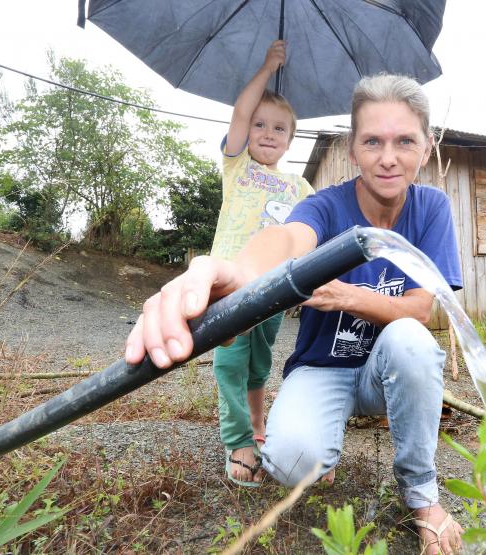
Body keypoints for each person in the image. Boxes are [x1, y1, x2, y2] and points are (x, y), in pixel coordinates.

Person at [125, 74, 464, 554]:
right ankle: (320, 440)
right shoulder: (326, 205)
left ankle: (421, 495)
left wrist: (347, 296)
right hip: (322, 368)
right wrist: (240, 274)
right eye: (372, 141)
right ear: (352, 149)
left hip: (384, 370)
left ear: (426, 148)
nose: (388, 157)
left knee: (412, 340)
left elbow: (420, 308)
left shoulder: (431, 208)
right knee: (289, 461)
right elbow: (286, 238)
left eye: (404, 141)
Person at [207, 39, 315, 487]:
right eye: (260, 124)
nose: (268, 133)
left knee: (258, 362)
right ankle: (238, 441)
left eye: (279, 128)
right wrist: (269, 66)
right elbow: (239, 112)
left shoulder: (299, 187)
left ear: (290, 139)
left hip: (273, 289)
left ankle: (257, 423)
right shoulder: (237, 167)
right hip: (229, 286)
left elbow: (311, 236)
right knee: (229, 363)